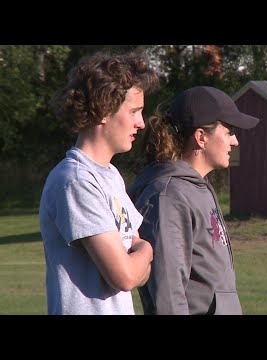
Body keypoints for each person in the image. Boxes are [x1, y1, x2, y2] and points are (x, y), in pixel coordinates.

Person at [39, 51, 159, 315]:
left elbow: (138, 264)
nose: (141, 123)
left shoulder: (110, 176)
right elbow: (126, 277)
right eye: (135, 111)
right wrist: (148, 249)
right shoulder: (75, 181)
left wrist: (139, 254)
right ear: (105, 110)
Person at [128, 86, 260, 315]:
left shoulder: (196, 188)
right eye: (229, 132)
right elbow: (168, 294)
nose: (235, 141)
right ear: (201, 138)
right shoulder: (169, 197)